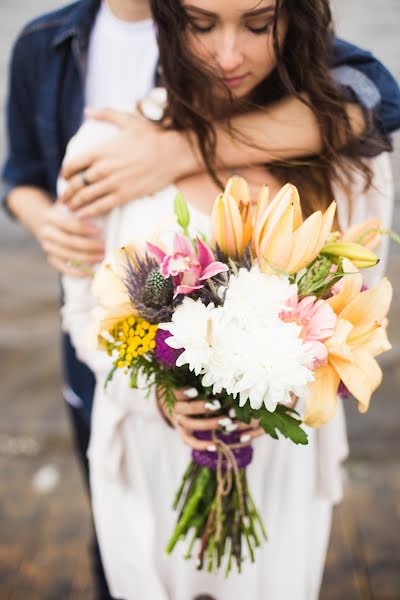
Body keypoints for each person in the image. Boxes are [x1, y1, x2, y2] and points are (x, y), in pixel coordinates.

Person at [2, 0, 399, 597]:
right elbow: (85, 313)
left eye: (260, 25)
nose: (229, 55)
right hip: (147, 449)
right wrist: (160, 399)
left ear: (293, 21)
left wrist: (283, 381)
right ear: (166, 19)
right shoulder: (107, 139)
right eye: (201, 24)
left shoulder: (348, 148)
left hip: (280, 456)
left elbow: (358, 315)